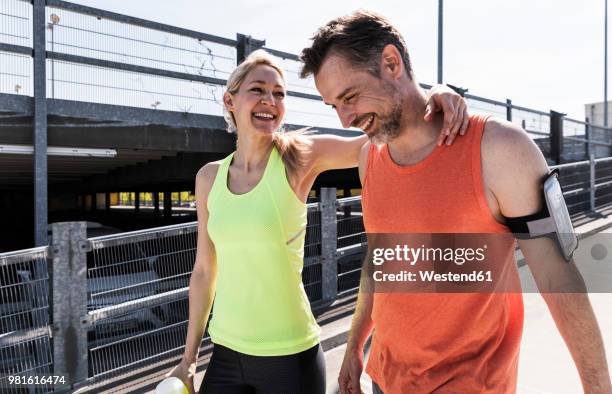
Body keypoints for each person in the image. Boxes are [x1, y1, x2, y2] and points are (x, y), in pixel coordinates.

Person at [300, 10, 612, 394]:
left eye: (349, 97)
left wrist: (597, 387)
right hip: (386, 378)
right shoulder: (369, 160)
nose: (345, 118)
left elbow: (558, 277)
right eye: (334, 105)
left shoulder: (500, 149)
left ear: (391, 63)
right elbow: (379, 262)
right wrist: (354, 348)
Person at [168, 48, 469, 394]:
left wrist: (433, 95)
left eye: (279, 94)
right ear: (230, 100)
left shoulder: (298, 156)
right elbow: (205, 271)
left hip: (290, 359)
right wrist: (189, 358)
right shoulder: (209, 178)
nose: (270, 100)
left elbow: (374, 138)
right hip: (225, 355)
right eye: (258, 90)